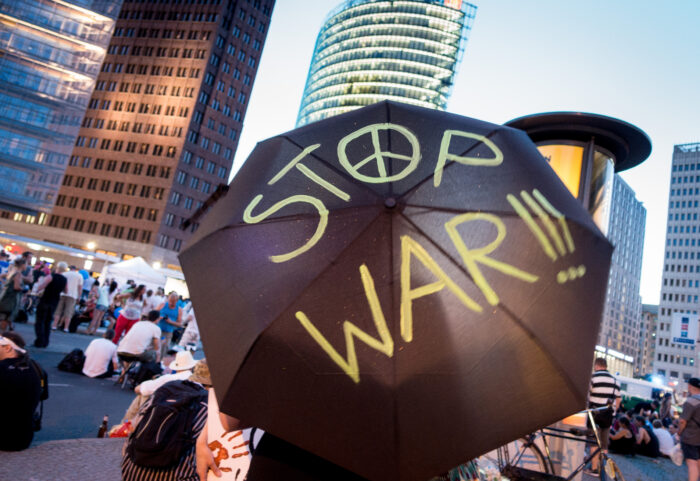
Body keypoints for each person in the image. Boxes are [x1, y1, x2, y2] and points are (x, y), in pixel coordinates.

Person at [121, 359, 210, 481]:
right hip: (173, 475)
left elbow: (133, 427)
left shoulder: (167, 389)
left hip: (131, 469)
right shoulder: (208, 405)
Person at [122, 350, 198, 422]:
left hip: (164, 412)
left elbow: (141, 389)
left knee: (142, 395)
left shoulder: (169, 378)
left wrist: (140, 387)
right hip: (187, 416)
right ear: (191, 366)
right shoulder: (198, 382)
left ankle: (123, 426)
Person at [0, 332, 43, 451]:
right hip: (24, 439)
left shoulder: (2, 368)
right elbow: (42, 396)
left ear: (8, 348)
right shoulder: (37, 367)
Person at [587, 357, 621, 474]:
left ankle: (594, 468)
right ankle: (603, 468)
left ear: (596, 365)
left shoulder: (593, 378)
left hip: (594, 413)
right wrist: (614, 412)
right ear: (606, 366)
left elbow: (587, 394)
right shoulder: (615, 381)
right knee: (604, 443)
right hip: (608, 415)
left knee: (593, 441)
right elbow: (618, 399)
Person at [32, 262, 69, 348]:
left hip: (45, 299)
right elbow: (66, 291)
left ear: (57, 267)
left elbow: (41, 287)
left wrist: (37, 289)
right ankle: (45, 341)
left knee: (39, 321)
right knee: (48, 322)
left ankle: (39, 341)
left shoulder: (51, 276)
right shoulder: (64, 279)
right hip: (54, 301)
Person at [679, 377, 700, 481]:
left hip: (691, 437)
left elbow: (683, 421)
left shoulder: (691, 401)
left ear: (689, 386)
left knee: (692, 463)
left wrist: (679, 432)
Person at [52, 265, 83, 332]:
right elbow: (80, 288)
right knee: (68, 312)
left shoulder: (64, 274)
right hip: (73, 295)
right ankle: (66, 328)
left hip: (62, 294)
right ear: (75, 269)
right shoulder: (79, 276)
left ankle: (54, 326)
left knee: (58, 311)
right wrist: (79, 297)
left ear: (69, 268)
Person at [0, 257, 26, 331]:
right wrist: (24, 289)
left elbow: (1, 276)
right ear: (22, 265)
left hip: (5, 297)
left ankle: (8, 330)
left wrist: (5, 285)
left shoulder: (13, 271)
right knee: (5, 318)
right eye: (26, 264)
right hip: (11, 300)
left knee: (4, 317)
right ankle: (2, 337)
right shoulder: (18, 274)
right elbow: (16, 287)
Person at [159, 292, 183, 358]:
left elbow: (180, 324)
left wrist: (170, 322)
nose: (171, 303)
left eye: (173, 302)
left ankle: (159, 363)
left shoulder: (179, 310)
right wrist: (159, 317)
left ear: (177, 301)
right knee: (154, 346)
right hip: (157, 330)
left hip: (168, 332)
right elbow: (153, 314)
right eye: (170, 301)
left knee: (164, 349)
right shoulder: (163, 305)